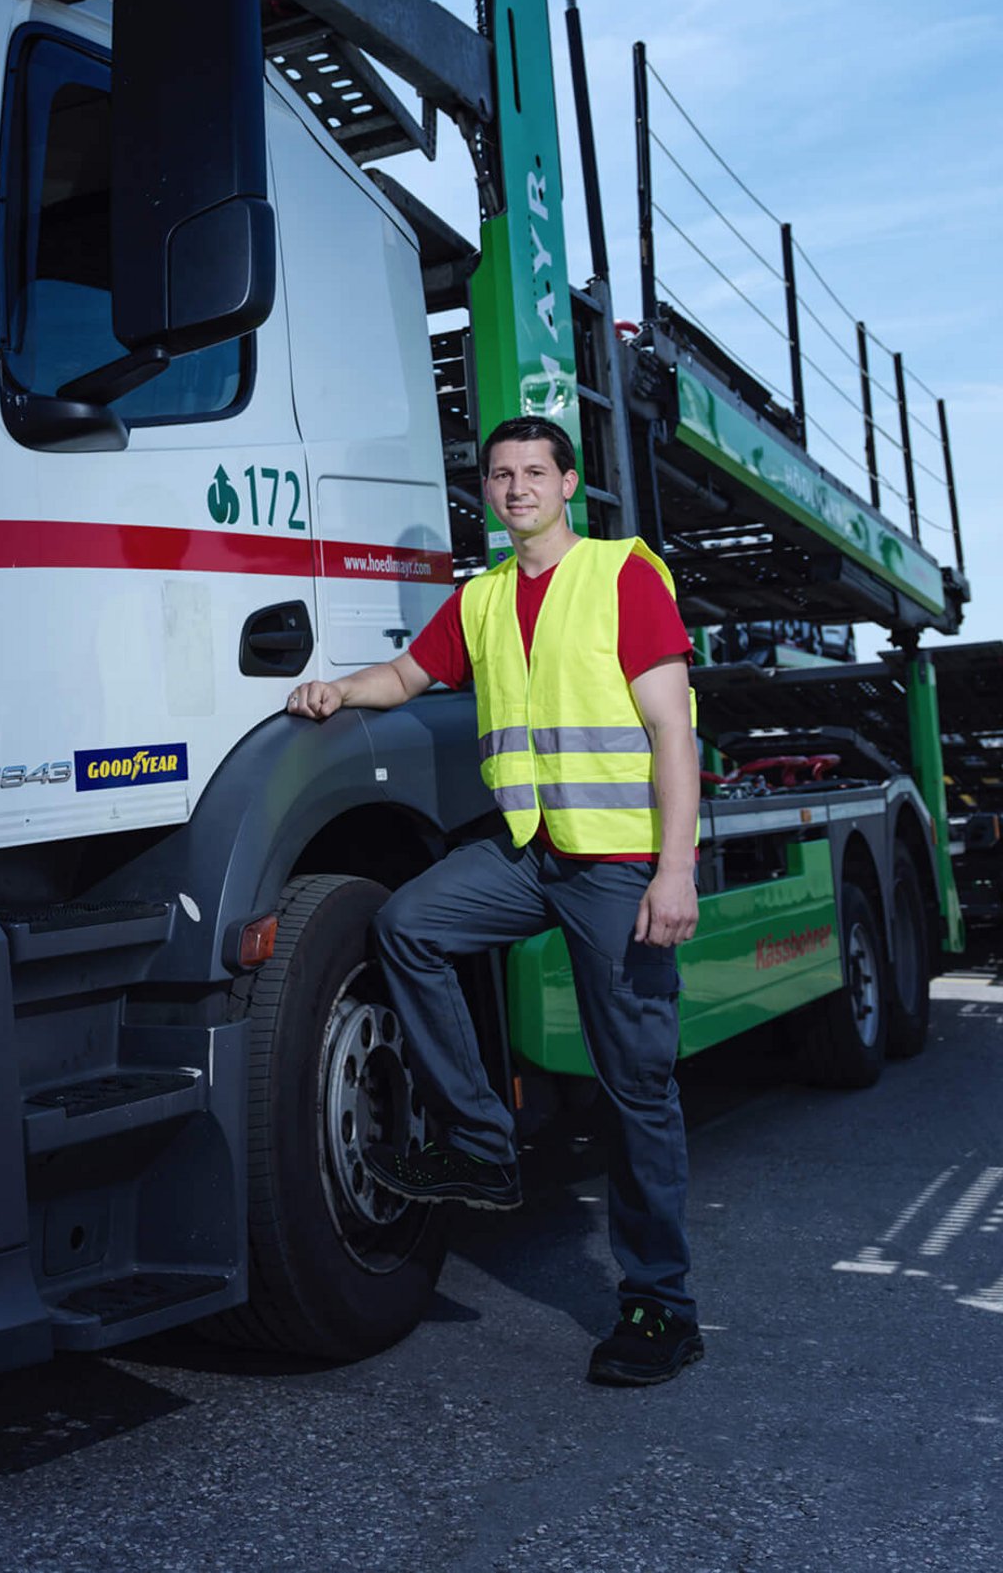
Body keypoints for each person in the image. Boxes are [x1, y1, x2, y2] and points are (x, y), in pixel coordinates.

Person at [284, 414, 706, 1387]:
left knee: (636, 1086)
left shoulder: (619, 577)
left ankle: (663, 1305)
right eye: (501, 474)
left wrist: (674, 865)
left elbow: (671, 730)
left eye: (534, 473)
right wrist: (334, 694)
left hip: (618, 866)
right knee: (411, 923)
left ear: (568, 485)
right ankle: (481, 1141)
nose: (516, 487)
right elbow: (405, 675)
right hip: (532, 857)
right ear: (489, 493)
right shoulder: (479, 602)